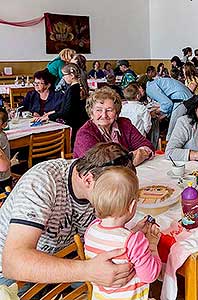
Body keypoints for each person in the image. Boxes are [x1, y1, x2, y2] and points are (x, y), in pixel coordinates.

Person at [0, 142, 152, 292]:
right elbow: (13, 263)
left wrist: (124, 234)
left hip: (68, 258)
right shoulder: (43, 182)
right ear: (87, 180)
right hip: (15, 277)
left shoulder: (99, 183)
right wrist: (88, 270)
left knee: (129, 281)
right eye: (113, 192)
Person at [84, 167, 161, 299]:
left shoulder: (91, 228)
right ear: (132, 206)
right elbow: (150, 276)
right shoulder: (135, 241)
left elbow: (114, 242)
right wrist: (152, 245)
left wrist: (135, 230)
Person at [73, 87, 155, 166]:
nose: (104, 115)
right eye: (99, 110)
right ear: (91, 113)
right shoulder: (85, 133)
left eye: (109, 110)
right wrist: (132, 157)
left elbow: (146, 144)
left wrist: (141, 152)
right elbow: (96, 164)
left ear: (116, 113)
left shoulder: (124, 124)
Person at [38, 63, 89, 148]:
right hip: (77, 121)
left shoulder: (73, 90)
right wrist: (53, 112)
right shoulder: (76, 88)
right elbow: (67, 107)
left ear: (72, 75)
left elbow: (67, 112)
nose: (63, 78)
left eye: (64, 75)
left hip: (74, 124)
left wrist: (50, 117)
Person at [0, 108, 11, 191]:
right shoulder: (2, 134)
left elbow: (4, 167)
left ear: (4, 124)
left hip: (3, 178)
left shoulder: (1, 137)